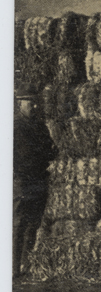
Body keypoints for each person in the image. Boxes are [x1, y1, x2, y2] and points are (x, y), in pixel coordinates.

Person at [13, 92, 56, 277]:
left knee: (34, 224)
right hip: (22, 180)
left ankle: (26, 265)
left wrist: (49, 152)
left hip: (39, 180)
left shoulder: (40, 126)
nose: (35, 107)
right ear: (20, 103)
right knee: (19, 224)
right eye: (30, 103)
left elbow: (52, 149)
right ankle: (12, 267)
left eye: (36, 103)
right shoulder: (14, 126)